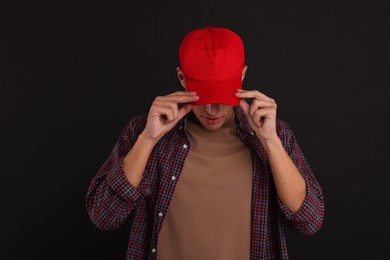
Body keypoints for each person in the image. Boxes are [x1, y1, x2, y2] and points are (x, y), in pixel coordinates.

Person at [85, 26, 324, 260]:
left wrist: (270, 141)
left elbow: (309, 221)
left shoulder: (274, 134)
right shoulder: (144, 131)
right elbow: (103, 217)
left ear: (241, 76)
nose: (212, 110)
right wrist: (148, 139)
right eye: (204, 97)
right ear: (181, 77)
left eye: (221, 96)